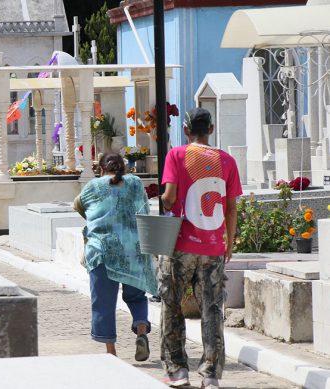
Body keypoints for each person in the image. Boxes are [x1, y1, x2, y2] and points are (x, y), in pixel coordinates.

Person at [159, 108, 242, 389]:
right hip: (213, 248)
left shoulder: (177, 155)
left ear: (186, 130)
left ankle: (177, 369)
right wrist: (229, 242)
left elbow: (169, 199)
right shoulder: (227, 161)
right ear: (212, 128)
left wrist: (165, 200)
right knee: (212, 309)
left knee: (172, 304)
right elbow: (231, 209)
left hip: (180, 245)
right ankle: (210, 374)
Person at [74, 153, 157, 360]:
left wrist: (96, 218)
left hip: (103, 251)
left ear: (101, 169)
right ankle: (141, 331)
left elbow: (78, 205)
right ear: (124, 168)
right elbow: (144, 210)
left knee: (103, 302)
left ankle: (111, 352)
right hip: (133, 250)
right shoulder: (135, 183)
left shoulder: (94, 186)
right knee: (137, 297)